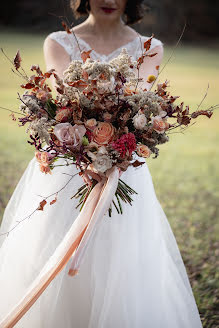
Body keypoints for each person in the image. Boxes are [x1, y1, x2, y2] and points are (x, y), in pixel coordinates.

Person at [0, 0, 203, 327]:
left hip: (124, 169)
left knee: (121, 256)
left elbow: (139, 106)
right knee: (55, 248)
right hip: (69, 166)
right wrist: (87, 152)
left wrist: (116, 152)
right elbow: (67, 104)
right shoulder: (58, 42)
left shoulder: (149, 48)